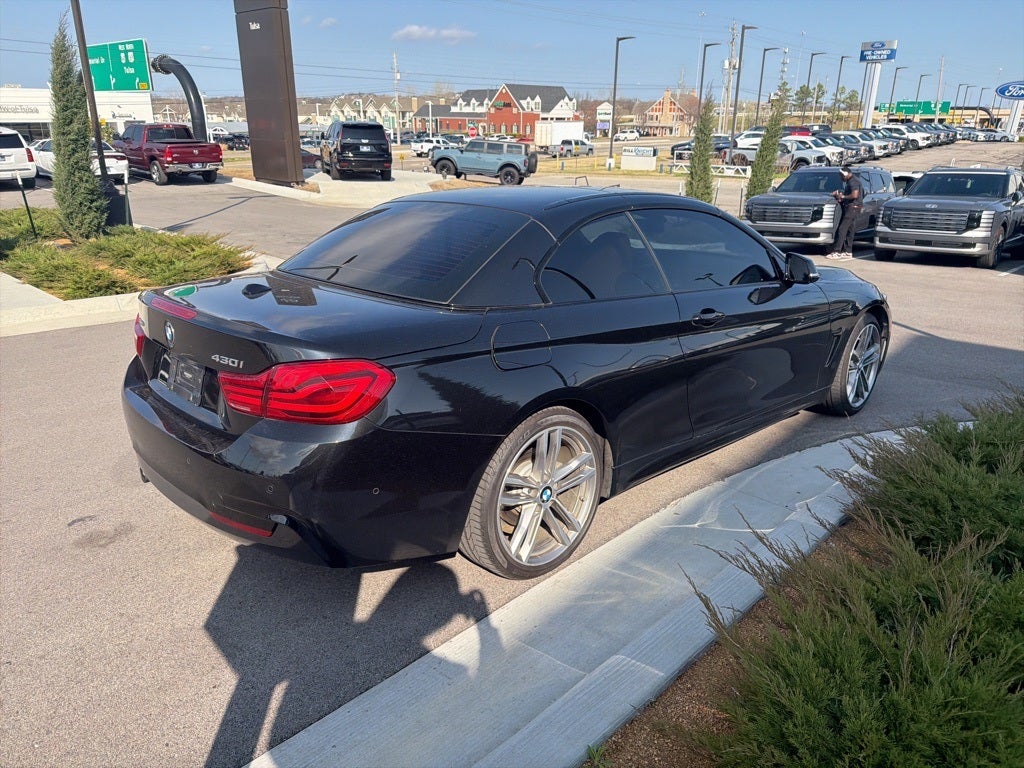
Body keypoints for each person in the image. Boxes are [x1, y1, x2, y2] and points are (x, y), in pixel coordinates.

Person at [827, 166, 863, 260]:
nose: (841, 178)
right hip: (854, 208)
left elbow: (855, 195)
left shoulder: (853, 181)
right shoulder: (852, 181)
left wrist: (842, 197)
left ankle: (837, 251)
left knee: (842, 229)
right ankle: (848, 251)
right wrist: (840, 193)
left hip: (852, 208)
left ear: (846, 174)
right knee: (850, 229)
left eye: (841, 176)